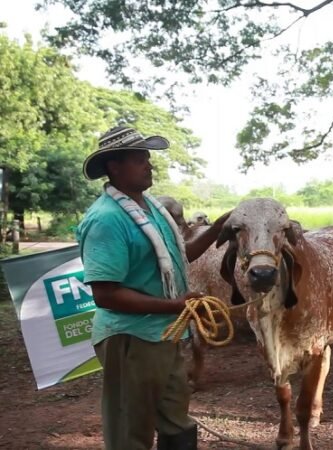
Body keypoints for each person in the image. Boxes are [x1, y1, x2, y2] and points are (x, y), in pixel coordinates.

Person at [77, 126, 230, 450]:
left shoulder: (151, 209)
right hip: (130, 338)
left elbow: (178, 257)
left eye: (147, 158)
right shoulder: (107, 219)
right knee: (131, 431)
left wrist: (218, 228)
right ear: (114, 167)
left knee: (178, 422)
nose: (149, 165)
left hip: (163, 334)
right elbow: (105, 294)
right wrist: (175, 306)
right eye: (138, 159)